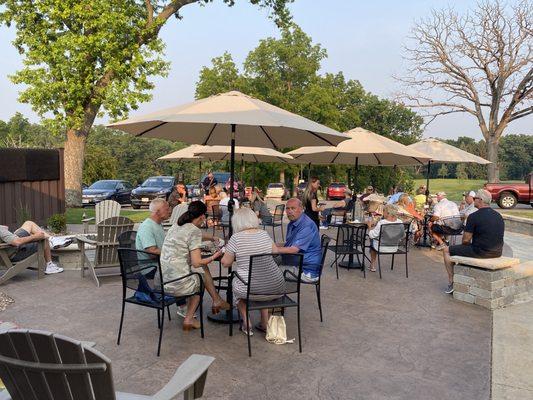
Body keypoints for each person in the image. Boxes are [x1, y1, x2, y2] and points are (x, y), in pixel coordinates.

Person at [159, 201, 230, 330]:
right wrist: (214, 256)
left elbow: (193, 236)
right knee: (200, 275)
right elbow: (196, 262)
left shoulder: (177, 225)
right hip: (177, 284)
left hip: (164, 279)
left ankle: (216, 300)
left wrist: (212, 238)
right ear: (202, 216)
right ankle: (189, 318)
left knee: (202, 269)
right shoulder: (194, 230)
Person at [221, 208, 285, 335]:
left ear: (237, 222)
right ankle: (264, 323)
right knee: (261, 282)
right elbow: (276, 253)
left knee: (238, 285)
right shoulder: (264, 234)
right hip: (276, 287)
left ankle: (246, 322)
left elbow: (226, 263)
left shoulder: (236, 238)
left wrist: (227, 253)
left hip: (251, 289)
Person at [442, 189, 504, 294]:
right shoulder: (498, 216)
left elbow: (465, 240)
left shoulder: (473, 216)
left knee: (446, 250)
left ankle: (451, 281)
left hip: (481, 252)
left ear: (480, 200)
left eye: (475, 198)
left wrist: (464, 245)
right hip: (497, 252)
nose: (474, 200)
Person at [276, 198, 322, 282]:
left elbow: (293, 250)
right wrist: (273, 244)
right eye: (287, 208)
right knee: (268, 261)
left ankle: (273, 293)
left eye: (293, 208)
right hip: (298, 262)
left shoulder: (306, 225)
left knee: (269, 270)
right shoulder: (294, 222)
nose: (289, 211)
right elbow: (289, 244)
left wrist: (273, 249)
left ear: (301, 209)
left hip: (306, 271)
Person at [366, 204, 405, 272]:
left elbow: (371, 235)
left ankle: (372, 265)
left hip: (381, 247)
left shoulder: (382, 223)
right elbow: (403, 235)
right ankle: (372, 265)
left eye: (383, 211)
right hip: (394, 247)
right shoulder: (400, 222)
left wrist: (369, 226)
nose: (382, 213)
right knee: (375, 239)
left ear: (387, 213)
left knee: (372, 240)